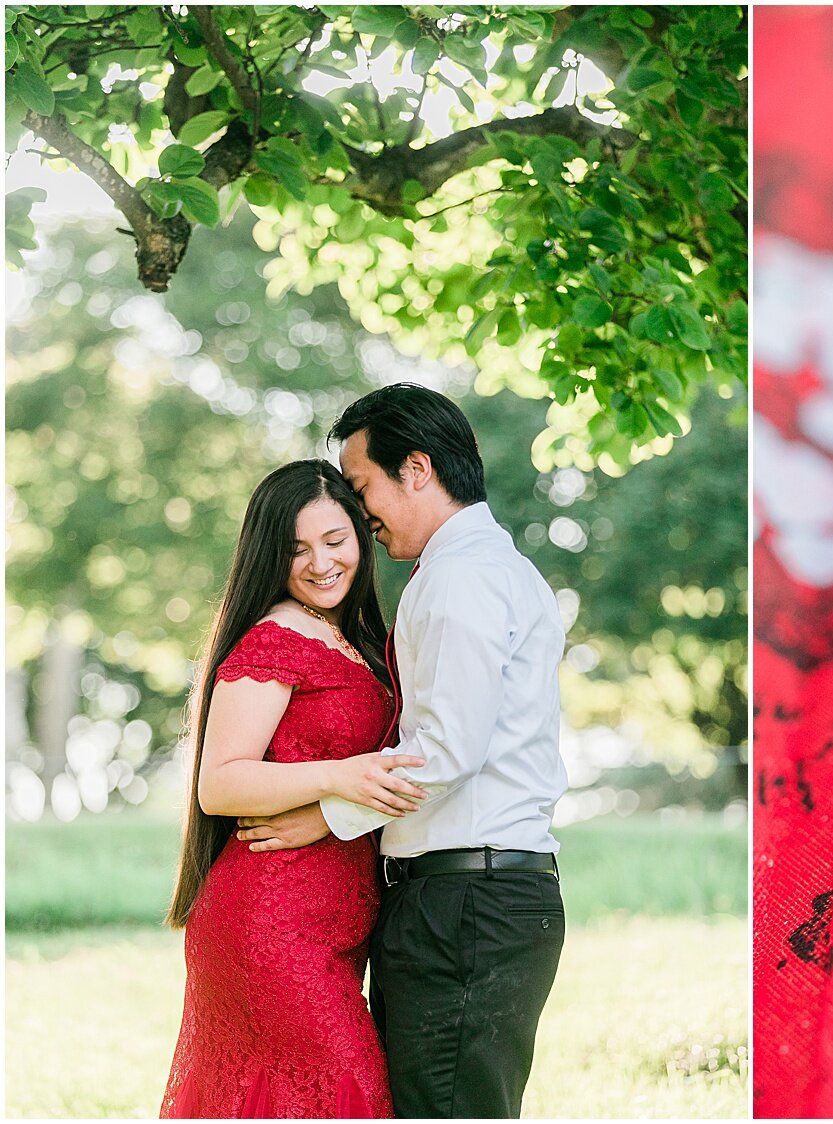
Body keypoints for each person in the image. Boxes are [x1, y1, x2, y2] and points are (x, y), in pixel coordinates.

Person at [235, 384, 569, 1119]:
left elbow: (445, 751)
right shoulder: (481, 569)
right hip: (467, 897)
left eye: (361, 488)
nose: (361, 516)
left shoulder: (462, 579)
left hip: (467, 902)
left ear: (415, 469)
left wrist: (322, 814)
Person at [161, 459, 430, 1118]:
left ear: (361, 537)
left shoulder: (354, 636)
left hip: (334, 930)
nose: (319, 563)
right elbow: (220, 784)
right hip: (271, 930)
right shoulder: (277, 634)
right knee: (351, 1096)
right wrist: (340, 778)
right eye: (295, 549)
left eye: (335, 541)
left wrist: (329, 808)